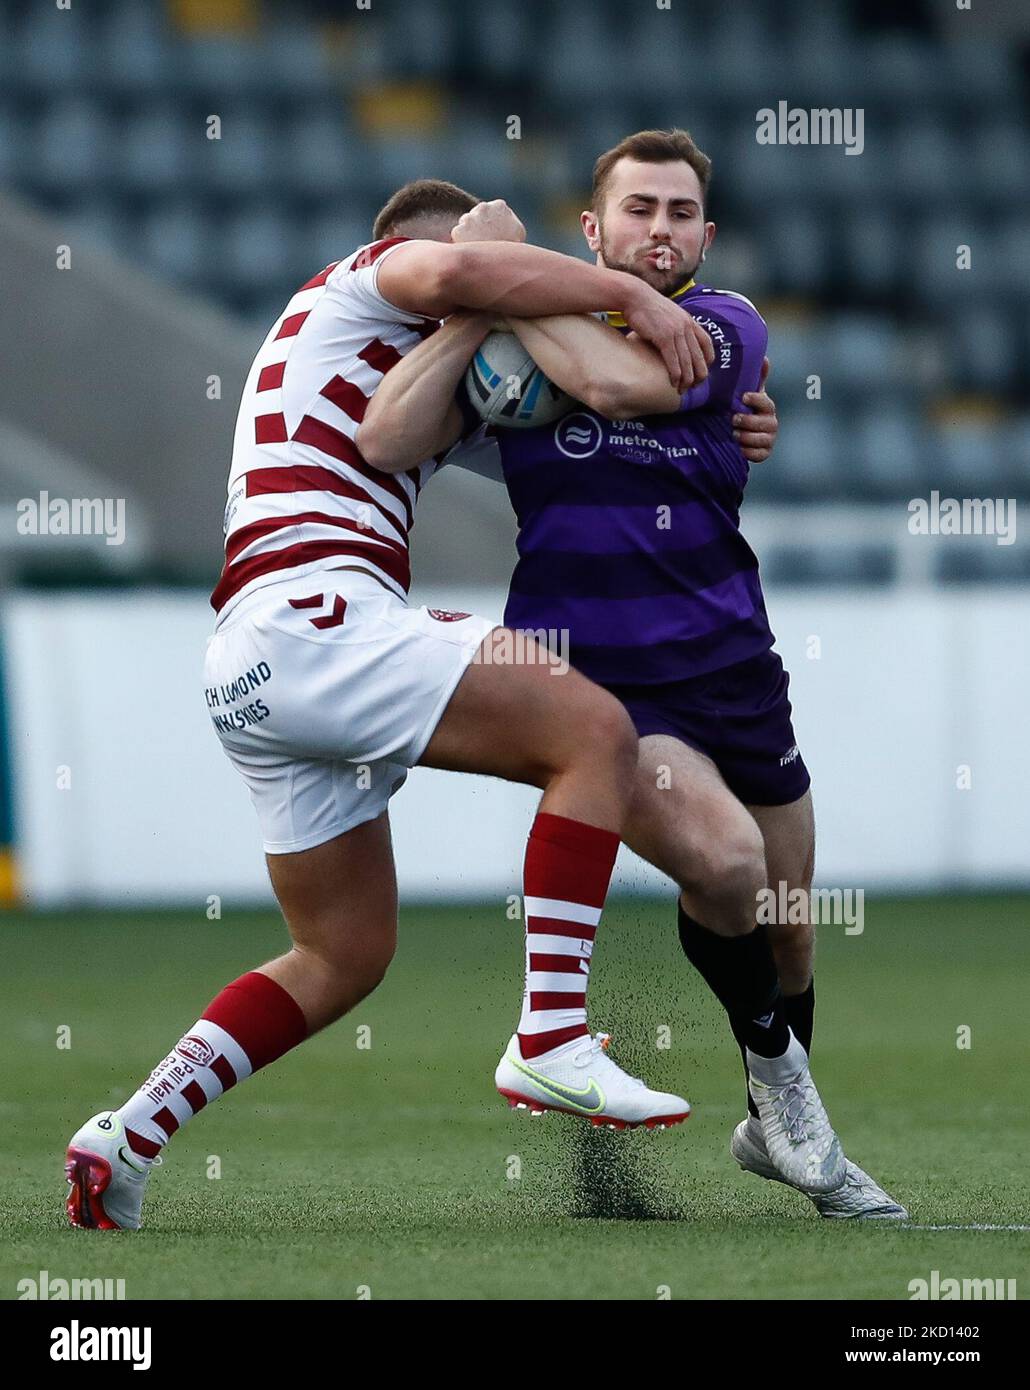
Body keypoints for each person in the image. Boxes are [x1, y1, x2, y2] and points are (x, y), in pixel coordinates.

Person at [64, 179, 725, 1231]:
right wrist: (628, 296)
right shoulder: (365, 282)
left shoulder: (404, 359)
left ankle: (126, 1136)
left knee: (342, 951)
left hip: (250, 656)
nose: (467, 284)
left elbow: (551, 431)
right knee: (593, 730)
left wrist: (724, 430)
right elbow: (464, 273)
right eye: (451, 263)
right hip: (317, 618)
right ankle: (550, 1036)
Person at [358, 133, 907, 1219]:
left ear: (704, 236)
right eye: (638, 210)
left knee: (788, 918)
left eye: (680, 212)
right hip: (603, 688)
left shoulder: (725, 325)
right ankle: (795, 1113)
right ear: (594, 230)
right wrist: (482, 300)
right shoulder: (519, 356)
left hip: (734, 664)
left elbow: (613, 388)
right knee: (728, 859)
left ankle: (769, 1113)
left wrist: (512, 292)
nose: (661, 229)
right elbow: (386, 437)